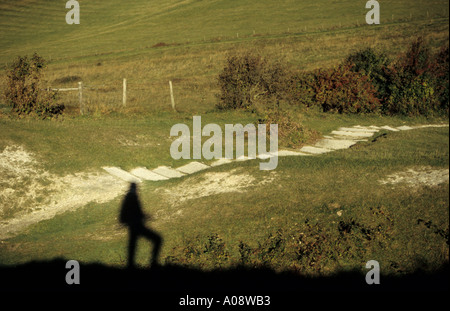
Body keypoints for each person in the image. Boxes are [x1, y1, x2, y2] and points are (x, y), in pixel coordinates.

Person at [119, 183, 162, 268]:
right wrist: (144, 217)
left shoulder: (130, 197)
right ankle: (153, 262)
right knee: (157, 239)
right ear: (134, 188)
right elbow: (132, 214)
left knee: (132, 246)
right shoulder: (132, 197)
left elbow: (134, 213)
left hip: (133, 226)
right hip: (137, 226)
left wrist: (145, 216)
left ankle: (131, 266)